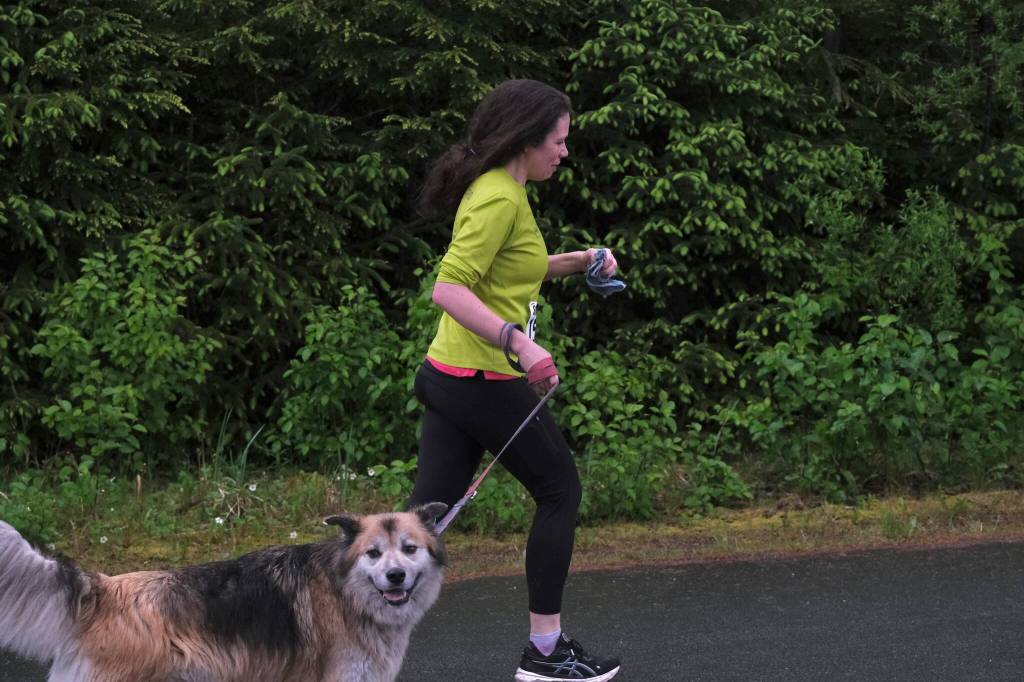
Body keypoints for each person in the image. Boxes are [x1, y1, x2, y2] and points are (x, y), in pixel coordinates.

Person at [407, 79, 622, 682]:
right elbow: (448, 288)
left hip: (452, 375)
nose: (564, 151)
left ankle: (335, 640)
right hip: (481, 377)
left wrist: (580, 261)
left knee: (420, 527)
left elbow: (513, 268)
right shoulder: (501, 198)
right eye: (558, 140)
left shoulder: (504, 191)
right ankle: (546, 653)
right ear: (527, 140)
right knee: (560, 490)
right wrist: (520, 342)